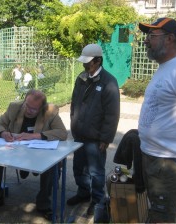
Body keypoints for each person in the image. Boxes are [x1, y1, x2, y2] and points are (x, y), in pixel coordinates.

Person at [0, 89, 67, 220]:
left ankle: (44, 205)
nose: (28, 110)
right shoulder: (15, 107)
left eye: (34, 109)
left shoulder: (50, 111)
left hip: (40, 153)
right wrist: (3, 133)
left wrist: (34, 136)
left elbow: (62, 133)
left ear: (42, 108)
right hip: (16, 151)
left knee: (52, 167)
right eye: (27, 105)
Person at [138, 18, 176, 223]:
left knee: (161, 218)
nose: (146, 41)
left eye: (152, 36)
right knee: (152, 212)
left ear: (170, 39)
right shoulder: (165, 67)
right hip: (153, 157)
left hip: (169, 163)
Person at [67, 43, 120, 217]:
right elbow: (74, 103)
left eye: (87, 63)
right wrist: (73, 123)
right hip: (79, 134)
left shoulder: (109, 82)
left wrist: (106, 138)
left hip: (96, 138)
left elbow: (112, 114)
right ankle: (83, 193)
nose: (84, 66)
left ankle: (98, 201)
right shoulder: (81, 78)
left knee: (96, 172)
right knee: (78, 168)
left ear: (98, 61)